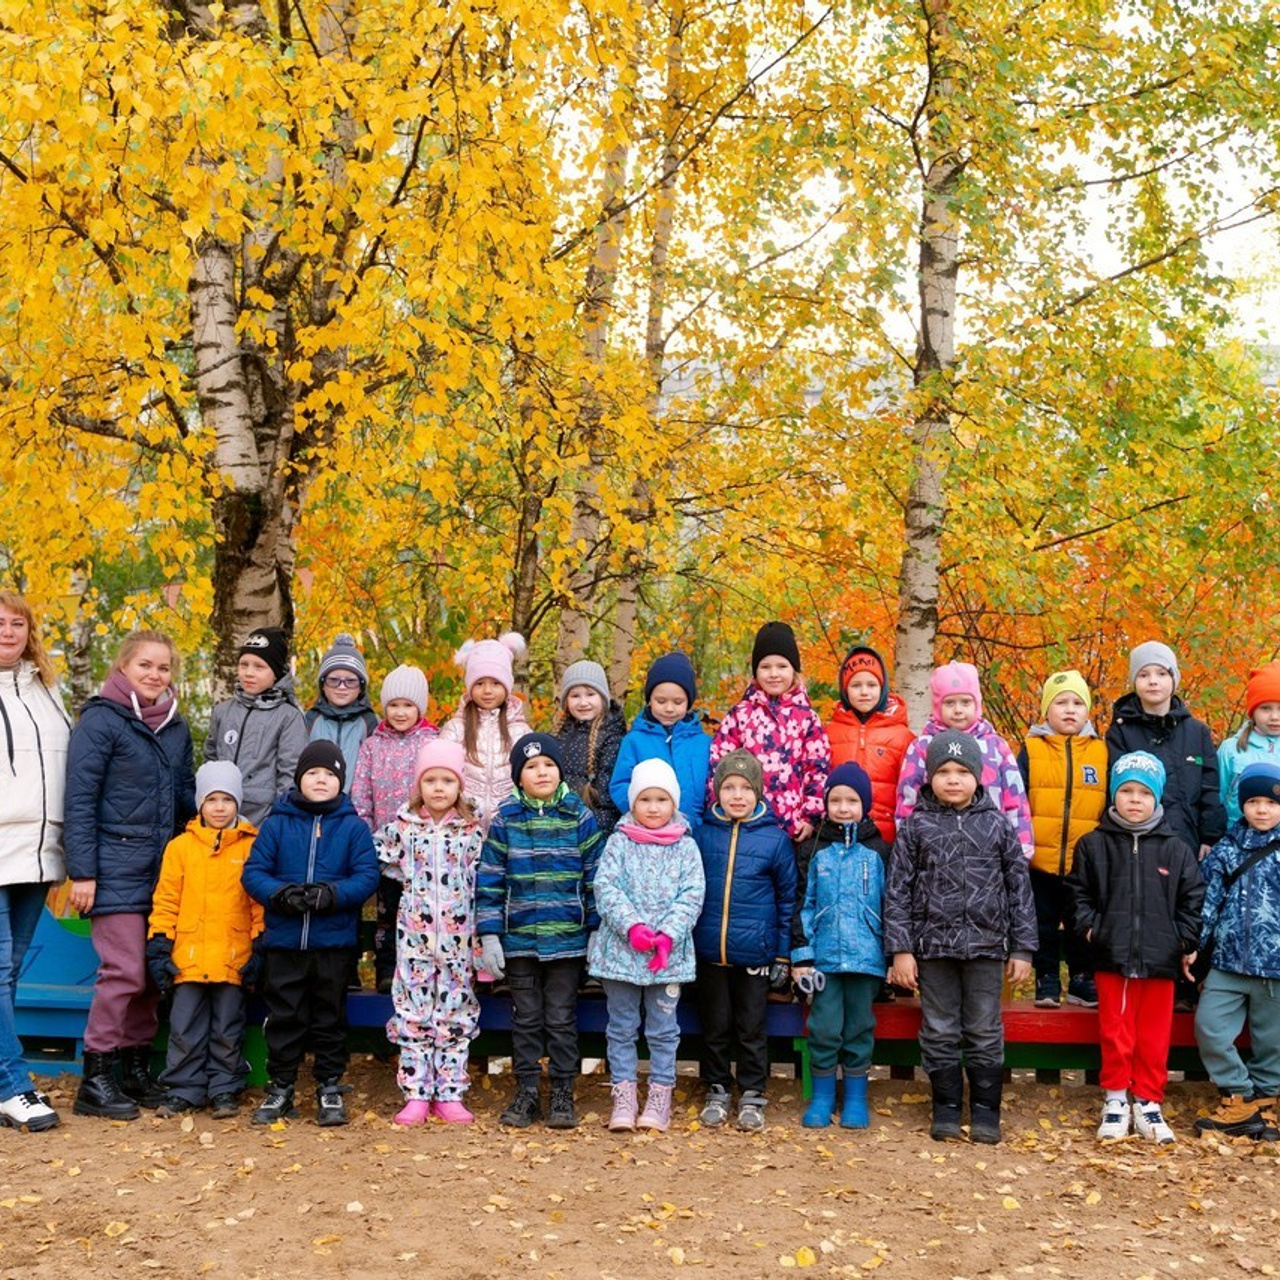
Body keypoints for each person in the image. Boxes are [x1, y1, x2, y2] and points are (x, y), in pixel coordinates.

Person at [65, 629, 195, 1120]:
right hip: (112, 867)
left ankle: (135, 1069)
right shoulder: (100, 721)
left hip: (161, 873)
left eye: (163, 668)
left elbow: (184, 794)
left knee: (151, 977)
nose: (154, 675)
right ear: (123, 667)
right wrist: (82, 871)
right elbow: (79, 799)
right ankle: (95, 1078)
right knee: (122, 972)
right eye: (145, 665)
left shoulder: (177, 726)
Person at [885, 731, 1036, 1145]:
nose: (953, 779)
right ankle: (946, 1107)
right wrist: (901, 950)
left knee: (985, 1029)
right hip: (933, 949)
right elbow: (897, 891)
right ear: (930, 776)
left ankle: (987, 1110)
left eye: (963, 772)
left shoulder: (997, 826)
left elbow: (1018, 890)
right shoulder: (915, 828)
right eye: (944, 772)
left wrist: (1022, 947)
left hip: (987, 948)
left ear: (978, 776)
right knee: (939, 1028)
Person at [1066, 751, 1203, 1145]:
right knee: (1116, 1030)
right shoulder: (1094, 844)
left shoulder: (1175, 848)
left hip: (1160, 959)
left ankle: (1147, 1099)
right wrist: (1093, 929)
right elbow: (1078, 893)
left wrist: (1184, 939)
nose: (1135, 799)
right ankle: (1114, 1099)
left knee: (1153, 1034)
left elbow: (1192, 897)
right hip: (1113, 956)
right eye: (1126, 790)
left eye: (1144, 792)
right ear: (1114, 795)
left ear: (1157, 798)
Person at [241, 741, 379, 1126]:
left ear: (341, 782)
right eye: (313, 773)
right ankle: (281, 1086)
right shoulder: (278, 823)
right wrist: (279, 895)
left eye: (329, 775)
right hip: (285, 941)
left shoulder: (352, 827)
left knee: (329, 1017)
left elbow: (366, 875)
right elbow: (254, 873)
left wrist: (332, 895)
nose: (321, 780)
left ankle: (329, 1086)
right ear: (299, 778)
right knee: (285, 1016)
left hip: (332, 942)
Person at [476, 733, 602, 1130]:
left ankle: (563, 1091)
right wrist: (491, 934)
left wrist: (596, 930)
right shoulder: (506, 819)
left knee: (562, 1018)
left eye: (548, 764)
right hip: (520, 943)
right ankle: (528, 1090)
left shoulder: (578, 816)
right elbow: (491, 880)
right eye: (531, 767)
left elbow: (595, 877)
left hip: (567, 941)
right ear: (518, 777)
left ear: (560, 771)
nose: (541, 771)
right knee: (526, 1018)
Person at [589, 759, 705, 1133]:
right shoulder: (618, 843)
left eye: (661, 799)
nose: (653, 807)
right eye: (645, 799)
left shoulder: (686, 847)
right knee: (621, 1026)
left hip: (666, 959)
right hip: (622, 954)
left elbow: (692, 894)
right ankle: (624, 1097)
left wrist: (668, 934)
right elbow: (606, 888)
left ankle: (659, 1097)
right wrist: (633, 928)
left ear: (674, 803)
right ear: (632, 804)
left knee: (662, 1029)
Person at [374, 739, 484, 1126]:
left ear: (460, 786)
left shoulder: (473, 832)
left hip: (459, 943)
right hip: (414, 943)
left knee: (455, 1015)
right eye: (431, 780)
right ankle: (417, 1092)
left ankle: (450, 1092)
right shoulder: (403, 829)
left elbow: (486, 879)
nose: (439, 788)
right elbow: (377, 858)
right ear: (419, 785)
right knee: (414, 1014)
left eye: (447, 780)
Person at [146, 761, 262, 1119]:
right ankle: (184, 1088)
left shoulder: (251, 846)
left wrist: (258, 946)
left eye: (227, 799)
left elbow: (259, 903)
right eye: (211, 799)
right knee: (184, 1027)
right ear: (200, 804)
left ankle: (224, 1087)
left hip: (233, 954)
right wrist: (160, 942)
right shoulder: (180, 848)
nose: (219, 807)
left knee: (228, 1027)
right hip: (189, 955)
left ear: (237, 804)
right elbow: (166, 899)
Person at [693, 749, 796, 1132]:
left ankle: (753, 1092)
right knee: (715, 1026)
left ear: (759, 792)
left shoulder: (774, 840)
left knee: (752, 1027)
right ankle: (717, 1088)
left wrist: (783, 956)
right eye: (729, 787)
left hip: (755, 953)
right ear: (717, 791)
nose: (737, 795)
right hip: (708, 952)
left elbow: (787, 900)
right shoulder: (702, 834)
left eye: (745, 788)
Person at [0, 591, 70, 1132]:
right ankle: (13, 1085)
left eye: (17, 623)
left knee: (9, 973)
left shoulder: (48, 691)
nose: (7, 631)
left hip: (38, 853)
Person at [791, 762, 888, 1129]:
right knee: (825, 1027)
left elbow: (890, 905)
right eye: (836, 800)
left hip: (867, 959)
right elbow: (802, 903)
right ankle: (823, 1097)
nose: (843, 807)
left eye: (851, 800)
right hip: (824, 961)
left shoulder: (879, 850)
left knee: (860, 1028)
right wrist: (803, 956)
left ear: (864, 804)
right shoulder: (815, 849)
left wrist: (892, 956)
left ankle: (857, 1099)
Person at [1193, 761, 1280, 1141]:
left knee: (1272, 1042)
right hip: (1228, 963)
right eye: (1254, 801)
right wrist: (1193, 948)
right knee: (1209, 1027)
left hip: (1275, 967)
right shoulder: (1228, 849)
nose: (1262, 809)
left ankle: (1267, 1104)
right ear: (1242, 805)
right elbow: (1207, 902)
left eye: (1271, 803)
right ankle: (1239, 1095)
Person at [1017, 669, 1108, 1008]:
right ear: (1046, 711)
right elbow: (1017, 798)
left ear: (1087, 711)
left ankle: (1082, 979)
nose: (1070, 710)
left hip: (1083, 861)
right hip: (1039, 857)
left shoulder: (1100, 751)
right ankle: (1047, 979)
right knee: (1041, 922)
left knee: (1081, 922)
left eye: (1077, 703)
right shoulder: (1030, 748)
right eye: (1060, 703)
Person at [351, 664, 439, 993]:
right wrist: (366, 839)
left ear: (420, 707)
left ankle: (420, 968)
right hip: (385, 850)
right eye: (393, 705)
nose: (400, 712)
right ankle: (387, 967)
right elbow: (361, 797)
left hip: (425, 849)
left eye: (407, 705)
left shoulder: (432, 742)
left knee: (422, 914)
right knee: (387, 914)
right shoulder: (373, 746)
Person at [708, 621, 831, 844]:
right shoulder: (740, 715)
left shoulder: (807, 718)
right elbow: (718, 763)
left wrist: (810, 817)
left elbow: (818, 769)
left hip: (791, 828)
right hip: (744, 822)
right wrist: (718, 806)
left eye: (782, 666)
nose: (774, 674)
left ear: (794, 670)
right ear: (755, 671)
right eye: (765, 667)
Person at [895, 662, 1033, 857]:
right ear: (937, 706)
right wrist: (908, 850)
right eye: (949, 703)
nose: (958, 710)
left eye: (965, 702)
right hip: (937, 852)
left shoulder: (996, 747)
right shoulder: (922, 747)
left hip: (990, 852)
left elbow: (1016, 801)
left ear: (977, 704)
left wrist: (1021, 851)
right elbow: (907, 801)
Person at [1105, 641, 1226, 857]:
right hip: (1138, 845)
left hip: (1189, 843)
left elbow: (1210, 789)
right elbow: (1114, 791)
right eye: (1144, 675)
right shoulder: (1120, 732)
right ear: (1134, 681)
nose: (1153, 681)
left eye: (1161, 673)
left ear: (1173, 679)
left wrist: (1210, 837)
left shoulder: (1197, 732)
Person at [204, 627, 308, 827]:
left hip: (262, 820)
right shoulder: (222, 711)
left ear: (276, 673)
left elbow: (290, 776)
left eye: (259, 667)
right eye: (244, 664)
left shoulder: (288, 717)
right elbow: (210, 759)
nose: (249, 673)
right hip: (219, 817)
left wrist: (277, 822)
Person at [439, 632, 531, 830]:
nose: (487, 691)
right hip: (462, 827)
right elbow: (441, 772)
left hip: (509, 827)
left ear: (507, 686)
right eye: (480, 683)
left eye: (496, 683)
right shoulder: (456, 728)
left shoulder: (520, 731)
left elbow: (530, 776)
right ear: (470, 687)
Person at [610, 652, 712, 830]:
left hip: (697, 833)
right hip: (647, 833)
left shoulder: (704, 744)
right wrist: (643, 816)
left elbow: (714, 788)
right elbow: (620, 784)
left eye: (678, 702)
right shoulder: (634, 741)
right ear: (650, 700)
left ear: (688, 703)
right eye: (661, 701)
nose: (669, 708)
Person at [825, 644, 915, 844]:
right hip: (837, 838)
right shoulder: (828, 734)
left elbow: (911, 792)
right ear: (845, 688)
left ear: (882, 688)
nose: (864, 692)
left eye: (872, 685)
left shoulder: (903, 737)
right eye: (856, 685)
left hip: (885, 840)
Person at [555, 660, 627, 838]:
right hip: (561, 823)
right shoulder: (562, 733)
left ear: (602, 698)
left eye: (590, 694)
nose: (583, 702)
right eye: (575, 696)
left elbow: (606, 794)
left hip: (597, 826)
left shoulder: (612, 736)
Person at [305, 633, 379, 786]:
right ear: (323, 685)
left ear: (361, 687)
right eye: (334, 680)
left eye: (350, 681)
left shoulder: (370, 722)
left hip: (356, 804)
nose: (342, 687)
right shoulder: (310, 719)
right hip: (315, 800)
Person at [1217, 662, 1280, 827]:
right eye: (1266, 708)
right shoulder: (1231, 749)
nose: (1274, 716)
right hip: (1238, 843)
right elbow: (1216, 798)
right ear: (1253, 711)